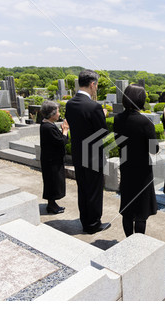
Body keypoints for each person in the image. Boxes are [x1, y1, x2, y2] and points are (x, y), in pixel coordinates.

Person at [65, 70, 111, 234]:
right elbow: (103, 133)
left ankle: (86, 220)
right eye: (96, 85)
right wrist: (102, 115)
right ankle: (93, 224)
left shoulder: (70, 104)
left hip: (78, 153)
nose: (96, 88)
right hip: (92, 155)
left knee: (83, 189)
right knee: (94, 191)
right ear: (92, 84)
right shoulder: (94, 106)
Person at [113, 84, 159, 237]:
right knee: (141, 211)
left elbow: (118, 141)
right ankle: (138, 243)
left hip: (126, 165)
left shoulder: (118, 119)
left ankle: (128, 240)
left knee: (127, 208)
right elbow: (154, 149)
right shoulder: (145, 123)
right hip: (142, 169)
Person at [40, 101, 69, 214]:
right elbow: (61, 142)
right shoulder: (48, 127)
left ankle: (52, 203)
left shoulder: (46, 124)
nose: (59, 114)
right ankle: (51, 205)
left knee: (53, 182)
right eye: (57, 111)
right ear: (52, 114)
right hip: (51, 161)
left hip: (50, 159)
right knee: (52, 182)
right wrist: (65, 131)